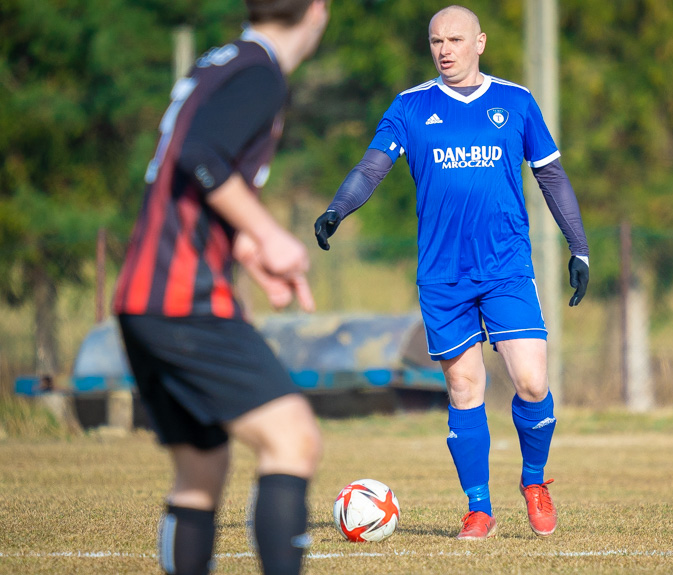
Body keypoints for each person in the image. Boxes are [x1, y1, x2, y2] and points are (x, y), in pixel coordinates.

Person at [314, 5, 589, 540]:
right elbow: (372, 166)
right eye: (436, 40)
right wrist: (337, 208)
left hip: (506, 266)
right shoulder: (410, 107)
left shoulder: (516, 102)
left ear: (480, 43)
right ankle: (478, 507)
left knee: (532, 382)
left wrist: (578, 247)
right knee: (465, 387)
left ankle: (534, 481)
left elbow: (552, 176)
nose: (444, 49)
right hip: (443, 275)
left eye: (456, 39)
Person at [113, 1, 329, 573]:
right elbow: (200, 156)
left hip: (142, 295)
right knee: (293, 439)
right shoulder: (261, 71)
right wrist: (271, 234)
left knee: (200, 473)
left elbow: (190, 179)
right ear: (318, 9)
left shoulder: (218, 63)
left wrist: (244, 247)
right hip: (184, 299)